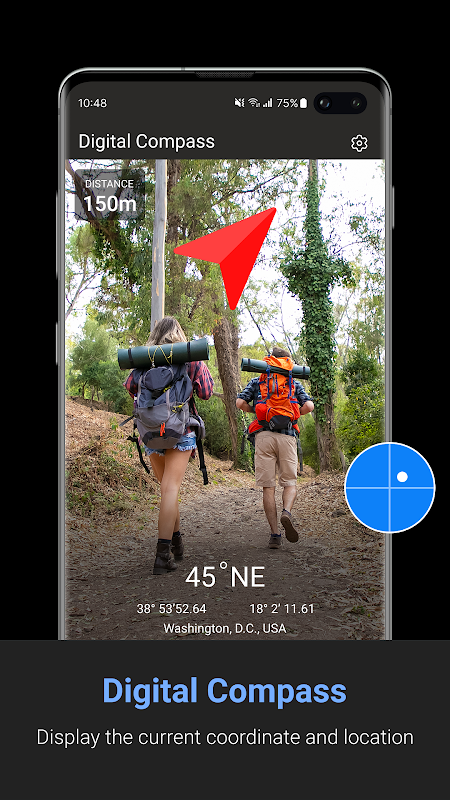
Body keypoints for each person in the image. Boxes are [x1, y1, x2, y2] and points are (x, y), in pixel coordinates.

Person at [124, 317, 214, 574]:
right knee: (170, 489)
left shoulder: (144, 359)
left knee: (167, 489)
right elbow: (206, 392)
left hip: (150, 431)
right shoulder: (190, 358)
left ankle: (176, 542)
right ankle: (162, 555)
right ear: (179, 334)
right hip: (180, 430)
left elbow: (130, 387)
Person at [236, 347, 314, 549]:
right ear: (287, 363)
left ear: (270, 361)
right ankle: (286, 512)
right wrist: (291, 415)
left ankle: (274, 535)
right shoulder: (293, 382)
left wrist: (256, 410)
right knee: (290, 483)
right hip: (287, 436)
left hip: (264, 436)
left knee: (268, 487)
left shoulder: (259, 380)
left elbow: (240, 402)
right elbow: (309, 406)